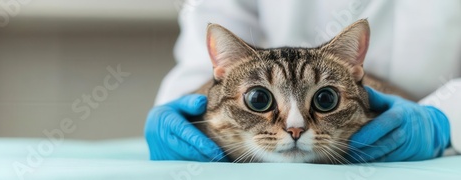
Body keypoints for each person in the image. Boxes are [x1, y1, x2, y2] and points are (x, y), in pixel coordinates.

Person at [145, 0, 461, 162]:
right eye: (260, 100)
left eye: (324, 100)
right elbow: (210, 51)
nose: (295, 128)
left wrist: (444, 122)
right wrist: (182, 110)